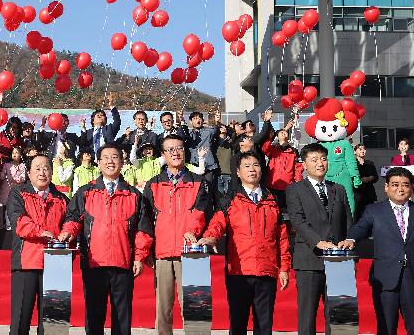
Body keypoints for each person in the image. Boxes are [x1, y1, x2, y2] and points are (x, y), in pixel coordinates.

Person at [58, 144, 153, 335]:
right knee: (94, 317)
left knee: (122, 319)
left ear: (122, 161)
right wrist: (68, 232)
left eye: (115, 157)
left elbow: (142, 230)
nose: (111, 161)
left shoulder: (134, 194)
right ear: (98, 162)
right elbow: (73, 219)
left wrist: (139, 257)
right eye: (106, 158)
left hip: (123, 264)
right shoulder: (86, 192)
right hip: (94, 263)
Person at [198, 151, 291, 335]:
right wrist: (210, 237)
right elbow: (217, 223)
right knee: (238, 324)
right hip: (239, 272)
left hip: (267, 271)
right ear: (238, 172)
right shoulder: (230, 199)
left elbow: (282, 237)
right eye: (247, 166)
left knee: (264, 326)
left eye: (256, 165)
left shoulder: (273, 200)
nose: (252, 170)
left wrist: (284, 268)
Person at [142, 135, 212, 335]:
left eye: (179, 148)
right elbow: (145, 219)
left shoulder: (200, 182)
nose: (175, 152)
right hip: (162, 252)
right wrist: (146, 249)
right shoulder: (153, 184)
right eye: (170, 149)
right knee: (163, 310)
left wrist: (192, 232)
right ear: (163, 155)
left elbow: (202, 211)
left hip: (192, 252)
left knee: (196, 308)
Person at [286, 143, 352, 335]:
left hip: (338, 261)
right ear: (304, 164)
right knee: (307, 317)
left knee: (341, 318)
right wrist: (317, 242)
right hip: (309, 260)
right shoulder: (295, 190)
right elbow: (298, 221)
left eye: (323, 159)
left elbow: (348, 221)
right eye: (314, 160)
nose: (320, 163)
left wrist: (349, 244)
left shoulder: (338, 189)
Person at [339, 167, 414, 335]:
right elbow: (361, 228)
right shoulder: (374, 210)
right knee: (386, 327)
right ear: (386, 187)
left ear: (411, 188)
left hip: (412, 277)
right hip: (385, 278)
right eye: (395, 184)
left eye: (405, 185)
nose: (400, 189)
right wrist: (351, 239)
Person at [7, 155, 70, 335]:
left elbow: (71, 220)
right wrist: (40, 231)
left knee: (54, 325)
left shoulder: (62, 198)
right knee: (20, 321)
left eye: (46, 168)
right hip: (26, 262)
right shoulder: (18, 193)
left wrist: (68, 231)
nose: (42, 172)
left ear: (51, 171)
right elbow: (18, 220)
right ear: (29, 172)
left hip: (57, 263)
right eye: (37, 168)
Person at [261, 116, 303, 213]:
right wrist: (273, 136)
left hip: (288, 187)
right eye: (281, 133)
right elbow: (265, 148)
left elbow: (297, 169)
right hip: (273, 185)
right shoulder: (274, 149)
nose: (284, 133)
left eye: (285, 133)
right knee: (273, 211)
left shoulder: (293, 151)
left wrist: (299, 184)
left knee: (288, 212)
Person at [79, 95, 121, 160]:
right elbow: (83, 145)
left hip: (107, 160)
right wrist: (83, 128)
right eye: (97, 115)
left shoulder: (109, 128)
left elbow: (117, 121)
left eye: (102, 115)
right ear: (93, 121)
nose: (100, 116)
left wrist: (111, 105)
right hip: (92, 161)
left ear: (105, 119)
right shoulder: (88, 132)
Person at [0, 146, 26, 231]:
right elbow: (3, 175)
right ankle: (8, 225)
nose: (14, 155)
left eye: (17, 153)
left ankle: (17, 225)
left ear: (20, 155)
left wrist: (16, 179)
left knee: (16, 207)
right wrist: (1, 175)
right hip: (7, 189)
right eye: (13, 153)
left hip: (18, 189)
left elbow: (23, 177)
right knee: (7, 207)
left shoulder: (22, 165)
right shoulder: (7, 165)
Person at [353, 144, 378, 221]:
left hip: (369, 193)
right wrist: (360, 179)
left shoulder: (370, 163)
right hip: (357, 193)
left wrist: (369, 178)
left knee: (370, 214)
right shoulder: (353, 163)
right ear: (355, 151)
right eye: (360, 149)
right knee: (356, 215)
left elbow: (376, 177)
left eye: (364, 149)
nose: (362, 151)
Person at [215, 123, 233, 197]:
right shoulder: (214, 142)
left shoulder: (231, 141)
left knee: (229, 198)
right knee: (219, 199)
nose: (223, 128)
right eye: (221, 127)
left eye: (224, 127)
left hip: (228, 174)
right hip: (217, 174)